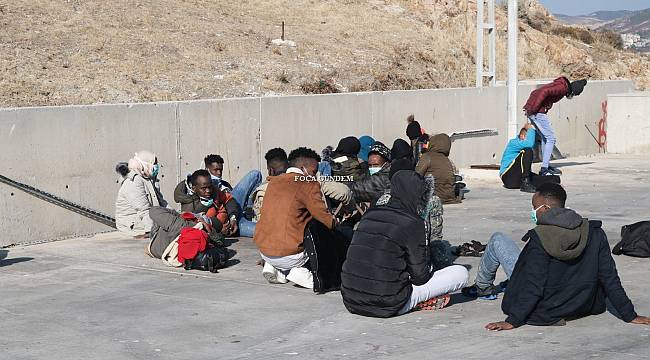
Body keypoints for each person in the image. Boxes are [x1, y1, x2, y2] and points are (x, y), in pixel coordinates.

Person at [461, 183, 650, 330]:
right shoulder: (594, 231)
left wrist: (513, 320)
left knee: (498, 240)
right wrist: (629, 315)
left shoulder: (540, 237)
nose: (533, 212)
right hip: (579, 304)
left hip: (547, 306)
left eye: (534, 207)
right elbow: (609, 277)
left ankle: (482, 288)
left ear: (544, 209)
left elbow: (533, 284)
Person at [341, 170, 468, 317]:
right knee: (461, 273)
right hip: (388, 303)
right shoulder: (413, 223)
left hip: (351, 300)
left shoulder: (370, 213)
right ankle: (415, 302)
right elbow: (421, 277)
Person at [253, 147, 337, 289]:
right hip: (291, 255)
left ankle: (276, 268)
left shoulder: (273, 182)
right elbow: (325, 219)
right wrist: (336, 223)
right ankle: (299, 272)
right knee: (321, 229)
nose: (315, 176)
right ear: (303, 168)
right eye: (314, 172)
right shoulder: (308, 184)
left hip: (265, 250)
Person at [524, 77, 587, 176]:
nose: (572, 96)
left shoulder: (561, 85)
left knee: (546, 138)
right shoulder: (562, 88)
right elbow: (543, 91)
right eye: (574, 94)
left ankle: (546, 165)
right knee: (551, 139)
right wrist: (534, 108)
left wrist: (532, 107)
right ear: (573, 91)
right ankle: (544, 169)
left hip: (535, 111)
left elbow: (537, 92)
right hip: (537, 112)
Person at [204, 154, 263, 237]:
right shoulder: (202, 188)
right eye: (216, 170)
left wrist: (233, 217)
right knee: (263, 231)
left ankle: (249, 214)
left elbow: (231, 202)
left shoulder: (225, 184)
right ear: (207, 169)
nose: (219, 173)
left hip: (235, 214)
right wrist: (219, 229)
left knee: (256, 174)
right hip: (227, 223)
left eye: (221, 170)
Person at [115, 151, 167, 238]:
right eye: (154, 164)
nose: (157, 167)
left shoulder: (147, 178)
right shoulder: (133, 181)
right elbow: (143, 209)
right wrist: (152, 230)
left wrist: (177, 217)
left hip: (146, 219)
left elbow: (162, 203)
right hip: (134, 225)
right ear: (145, 164)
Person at [174, 170, 240, 236]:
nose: (208, 191)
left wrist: (233, 218)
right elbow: (194, 228)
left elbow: (229, 200)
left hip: (232, 223)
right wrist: (218, 230)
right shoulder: (188, 205)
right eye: (204, 188)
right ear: (194, 188)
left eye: (209, 187)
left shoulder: (214, 190)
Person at [415, 133, 460, 204]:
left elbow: (416, 175)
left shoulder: (427, 156)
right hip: (449, 197)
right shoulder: (447, 160)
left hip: (432, 197)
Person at [500, 124, 537, 193]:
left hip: (518, 179)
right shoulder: (513, 142)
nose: (530, 139)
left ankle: (526, 181)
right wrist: (530, 128)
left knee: (552, 180)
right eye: (528, 137)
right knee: (528, 150)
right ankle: (525, 182)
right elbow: (530, 144)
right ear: (522, 136)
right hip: (508, 176)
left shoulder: (522, 144)